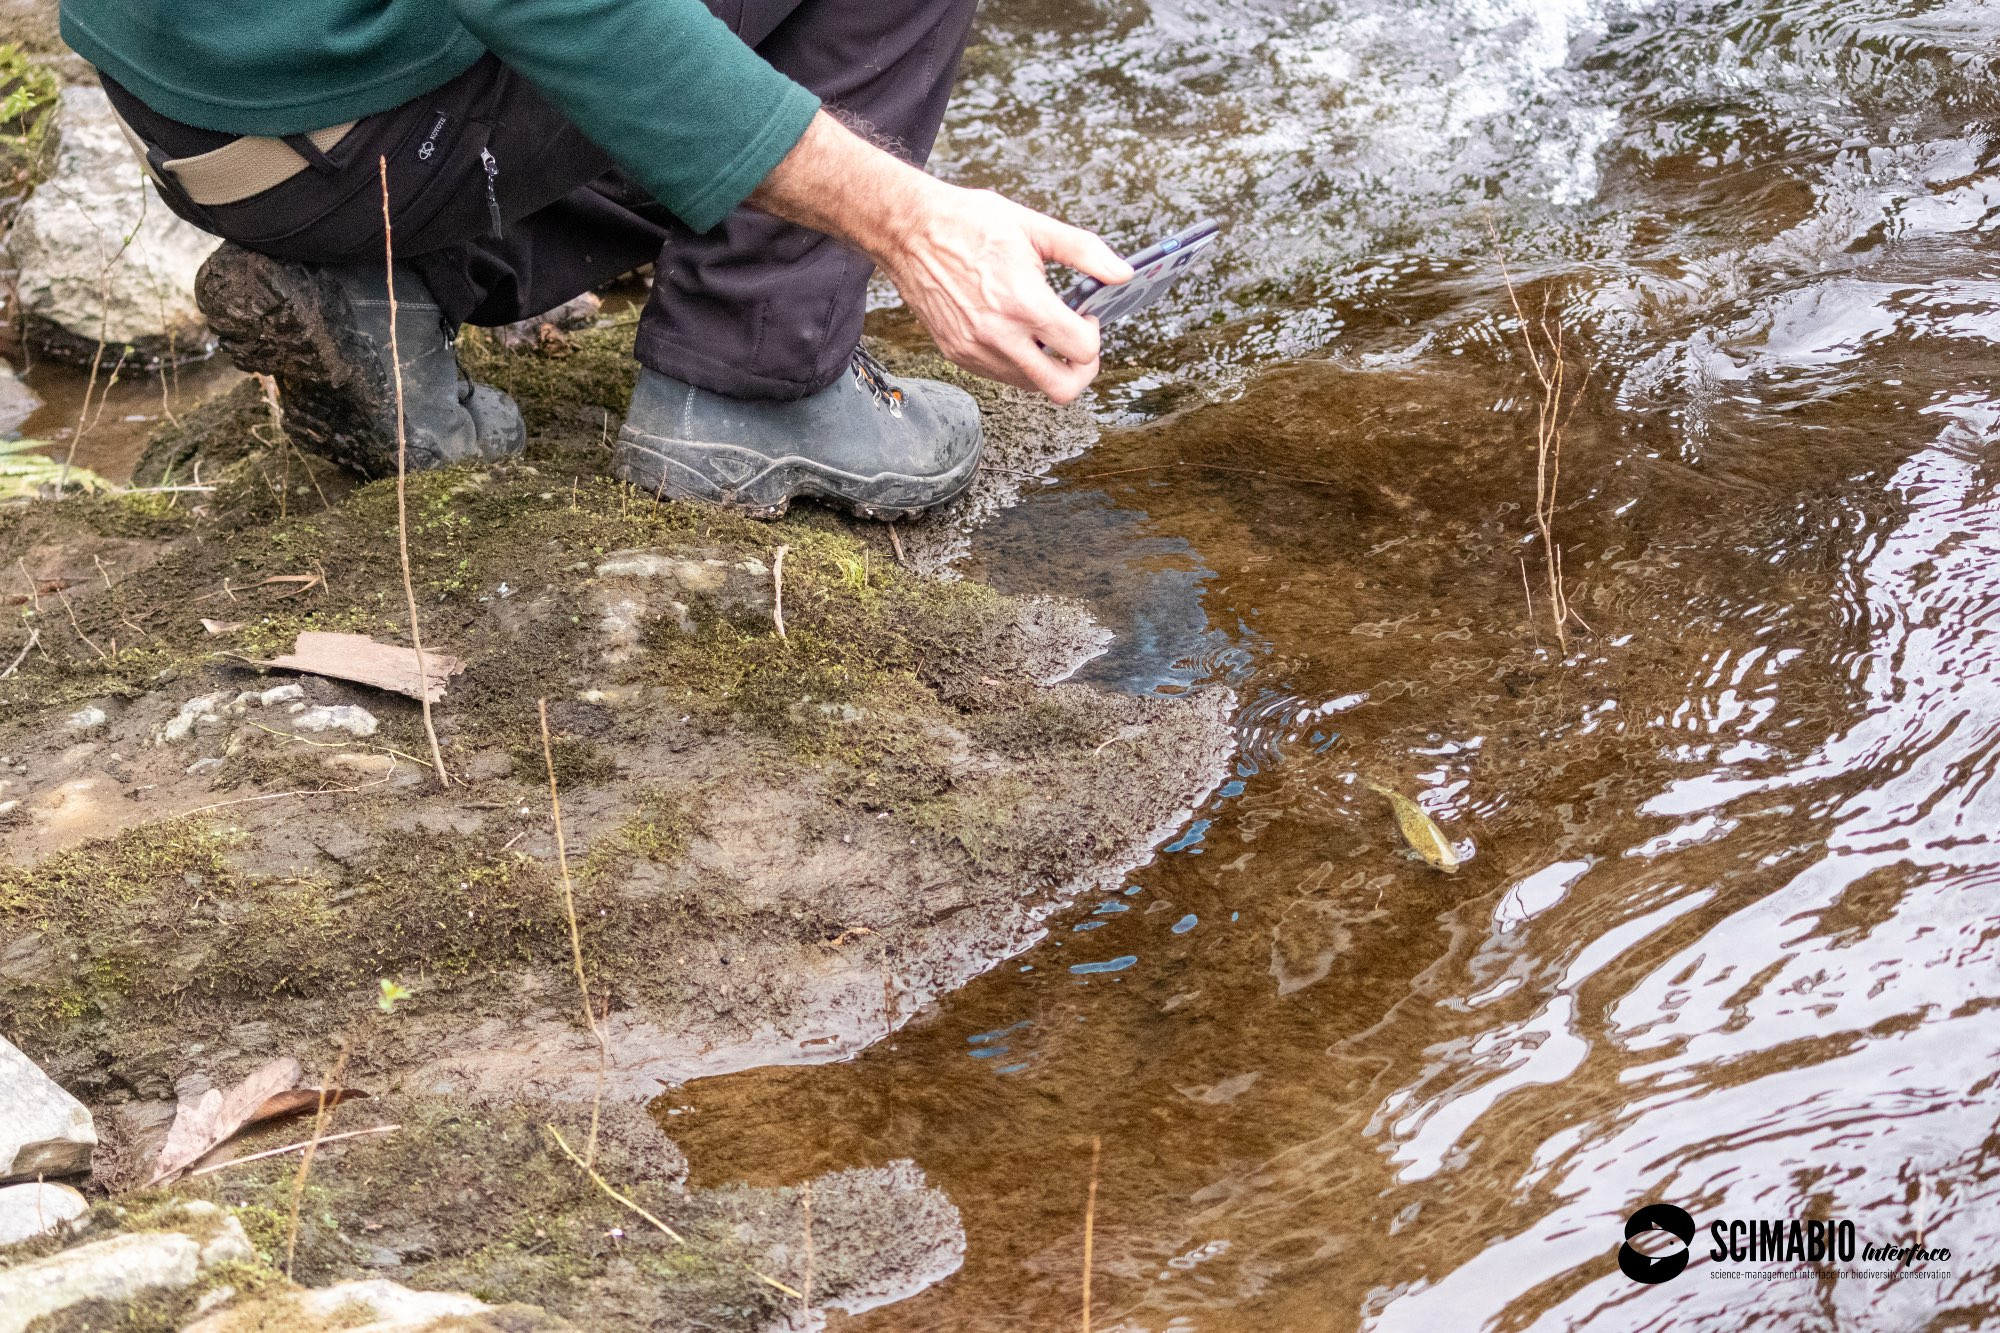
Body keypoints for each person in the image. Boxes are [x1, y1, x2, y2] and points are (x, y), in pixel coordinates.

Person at [58, 0, 1134, 518]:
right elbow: (586, 16)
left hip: (216, 122)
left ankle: (403, 285)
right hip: (352, 139)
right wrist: (914, 221)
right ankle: (754, 380)